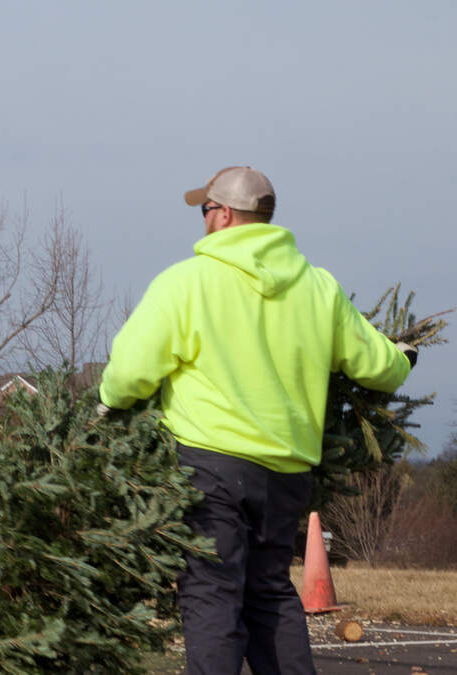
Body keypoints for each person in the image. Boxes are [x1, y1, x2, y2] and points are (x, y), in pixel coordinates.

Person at [97, 166, 416, 675]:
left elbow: (130, 373)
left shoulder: (187, 282)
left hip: (208, 467)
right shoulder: (318, 288)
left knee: (211, 595)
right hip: (287, 472)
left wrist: (106, 403)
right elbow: (378, 366)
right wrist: (403, 357)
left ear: (222, 215)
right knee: (269, 595)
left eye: (205, 211)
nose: (202, 222)